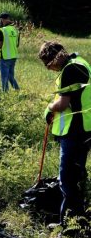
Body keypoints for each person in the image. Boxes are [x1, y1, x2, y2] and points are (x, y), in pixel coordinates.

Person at [38, 41, 91, 227]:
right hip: (83, 129)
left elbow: (62, 104)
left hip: (75, 131)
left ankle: (69, 225)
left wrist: (49, 107)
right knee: (76, 174)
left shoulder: (70, 69)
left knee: (67, 178)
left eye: (47, 64)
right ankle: (81, 217)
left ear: (53, 59)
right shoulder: (79, 62)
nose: (48, 68)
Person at [0, 12, 20, 92]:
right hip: (14, 56)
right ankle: (17, 89)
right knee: (10, 75)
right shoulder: (15, 30)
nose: (0, 22)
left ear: (2, 19)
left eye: (0, 20)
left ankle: (5, 93)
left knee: (4, 77)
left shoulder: (3, 30)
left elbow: (0, 45)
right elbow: (17, 44)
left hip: (5, 57)